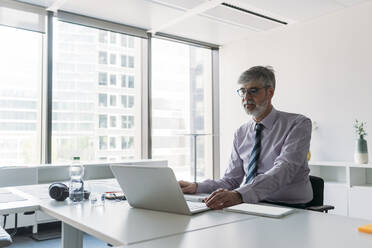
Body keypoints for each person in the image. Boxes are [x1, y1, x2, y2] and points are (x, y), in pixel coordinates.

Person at [179, 66, 313, 210]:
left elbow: (284, 169)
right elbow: (231, 180)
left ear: (270, 92)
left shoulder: (298, 124)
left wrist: (239, 195)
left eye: (253, 91)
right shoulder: (241, 133)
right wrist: (196, 187)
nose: (246, 97)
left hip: (290, 208)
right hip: (250, 204)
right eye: (243, 91)